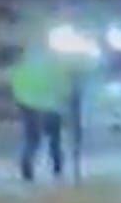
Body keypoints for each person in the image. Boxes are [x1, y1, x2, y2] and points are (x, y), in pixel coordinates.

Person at [7, 44, 76, 183]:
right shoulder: (54, 68)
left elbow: (14, 87)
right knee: (54, 140)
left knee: (31, 139)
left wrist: (22, 102)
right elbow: (64, 87)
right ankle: (57, 167)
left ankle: (27, 165)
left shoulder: (20, 69)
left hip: (29, 108)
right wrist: (64, 100)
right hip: (51, 107)